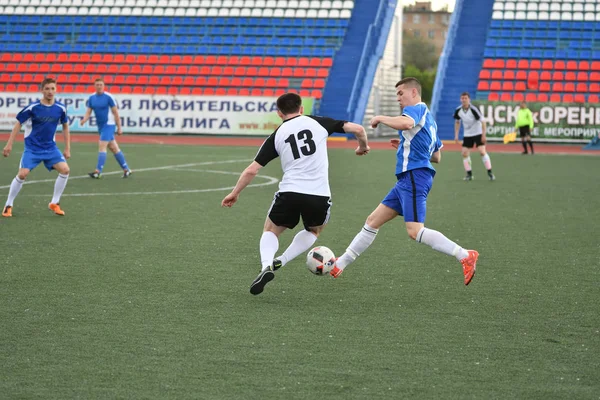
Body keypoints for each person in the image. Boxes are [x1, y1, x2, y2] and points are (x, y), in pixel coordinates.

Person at [330, 78, 479, 286]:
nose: (398, 98)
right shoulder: (430, 120)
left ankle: (464, 255)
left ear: (414, 93)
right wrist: (406, 143)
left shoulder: (416, 109)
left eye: (401, 93)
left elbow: (407, 122)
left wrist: (380, 117)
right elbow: (436, 157)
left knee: (415, 230)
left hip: (415, 177)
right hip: (407, 180)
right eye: (397, 95)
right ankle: (340, 263)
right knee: (372, 221)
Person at [221, 93, 370, 295]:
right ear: (301, 108)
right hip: (318, 194)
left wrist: (235, 193)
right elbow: (359, 129)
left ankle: (266, 265)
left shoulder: (277, 135)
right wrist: (363, 146)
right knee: (313, 231)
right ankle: (280, 261)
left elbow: (251, 170)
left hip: (289, 192)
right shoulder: (318, 122)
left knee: (271, 230)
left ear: (279, 113)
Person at [2, 77, 71, 217]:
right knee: (22, 174)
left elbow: (65, 126)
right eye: (47, 89)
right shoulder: (33, 108)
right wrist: (9, 144)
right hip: (32, 149)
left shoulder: (60, 109)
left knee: (65, 170)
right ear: (42, 90)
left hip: (50, 148)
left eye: (52, 88)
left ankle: (55, 203)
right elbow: (18, 124)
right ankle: (8, 205)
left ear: (56, 90)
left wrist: (67, 147)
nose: (50, 91)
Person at [80, 78, 132, 178]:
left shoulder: (109, 97)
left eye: (101, 85)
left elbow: (115, 112)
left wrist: (119, 127)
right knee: (113, 148)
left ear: (104, 86)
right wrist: (84, 119)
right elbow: (89, 111)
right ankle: (126, 169)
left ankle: (98, 171)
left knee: (102, 145)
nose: (99, 86)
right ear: (94, 86)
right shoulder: (92, 98)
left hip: (109, 124)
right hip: (101, 126)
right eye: (97, 85)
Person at [454, 92, 495, 181]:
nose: (464, 100)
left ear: (469, 99)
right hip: (467, 134)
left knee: (482, 151)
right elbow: (457, 122)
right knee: (464, 153)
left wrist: (484, 135)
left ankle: (490, 172)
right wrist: (456, 135)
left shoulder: (473, 109)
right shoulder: (458, 110)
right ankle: (469, 174)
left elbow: (483, 121)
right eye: (462, 98)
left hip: (477, 133)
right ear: (460, 99)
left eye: (466, 98)